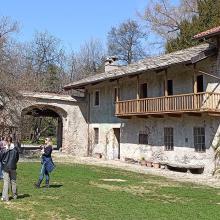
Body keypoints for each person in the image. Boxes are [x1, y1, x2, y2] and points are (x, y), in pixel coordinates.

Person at [0, 136, 19, 202]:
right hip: (13, 166)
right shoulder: (15, 148)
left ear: (6, 141)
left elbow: (1, 157)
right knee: (13, 181)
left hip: (5, 167)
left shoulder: (4, 149)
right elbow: (17, 158)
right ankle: (15, 195)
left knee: (6, 182)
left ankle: (5, 197)